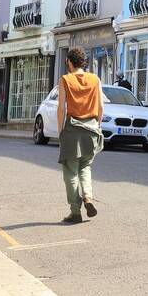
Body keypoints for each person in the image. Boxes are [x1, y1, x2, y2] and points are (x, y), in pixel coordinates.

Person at [58, 47, 104, 224]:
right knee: (85, 167)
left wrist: (61, 129)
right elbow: (100, 107)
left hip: (72, 129)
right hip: (91, 128)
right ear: (83, 62)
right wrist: (97, 126)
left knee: (70, 171)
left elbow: (61, 107)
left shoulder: (65, 80)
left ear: (69, 62)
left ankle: (75, 211)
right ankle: (88, 197)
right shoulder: (95, 79)